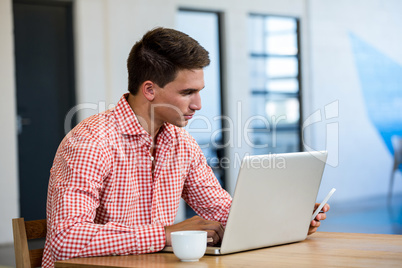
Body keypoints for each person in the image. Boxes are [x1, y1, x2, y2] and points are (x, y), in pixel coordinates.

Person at [42, 27, 329, 267]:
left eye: (199, 91)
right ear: (150, 90)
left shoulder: (180, 143)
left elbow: (221, 210)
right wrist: (166, 234)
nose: (198, 105)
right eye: (187, 92)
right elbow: (66, 241)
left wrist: (285, 218)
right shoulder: (91, 141)